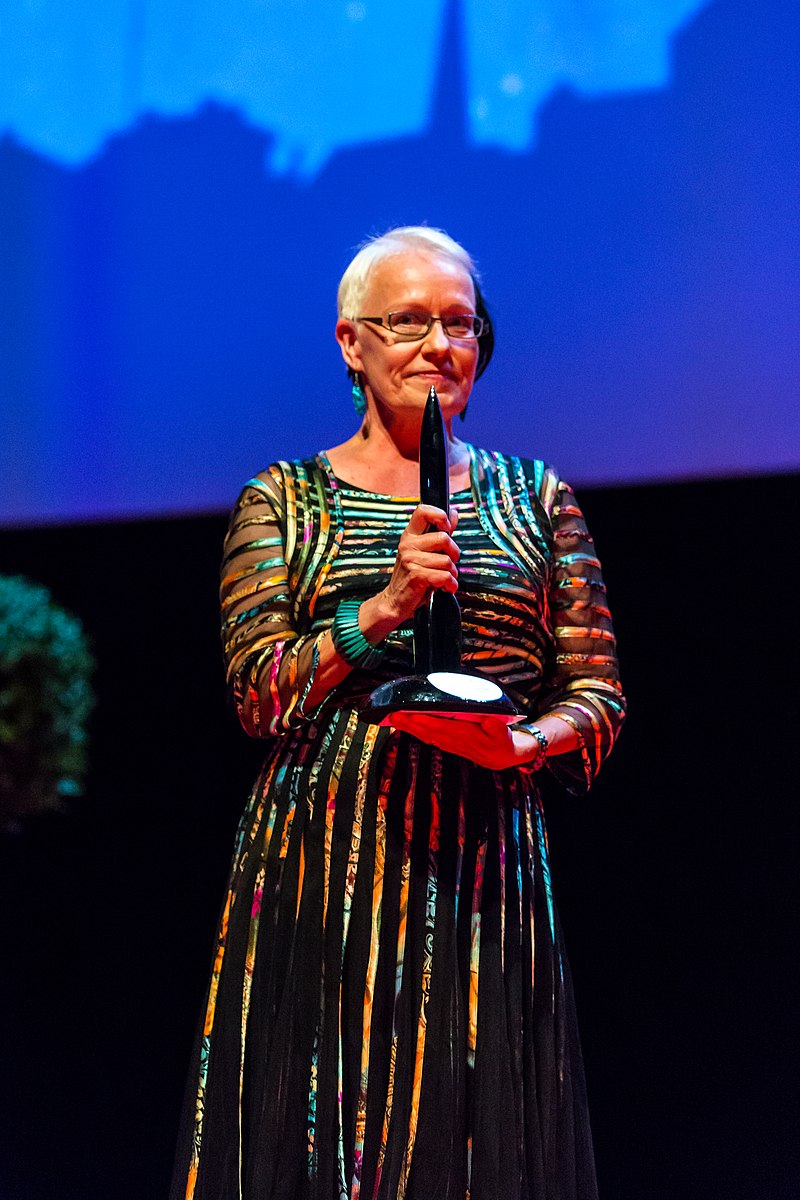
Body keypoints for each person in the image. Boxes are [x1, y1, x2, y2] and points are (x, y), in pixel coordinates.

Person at [170, 226, 626, 1200]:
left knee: (473, 1147)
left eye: (457, 324)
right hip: (327, 867)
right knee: (330, 1142)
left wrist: (520, 743)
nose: (437, 346)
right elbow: (257, 692)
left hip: (484, 866)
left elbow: (595, 694)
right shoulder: (285, 502)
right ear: (351, 341)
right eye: (408, 321)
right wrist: (380, 609)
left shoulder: (531, 498)